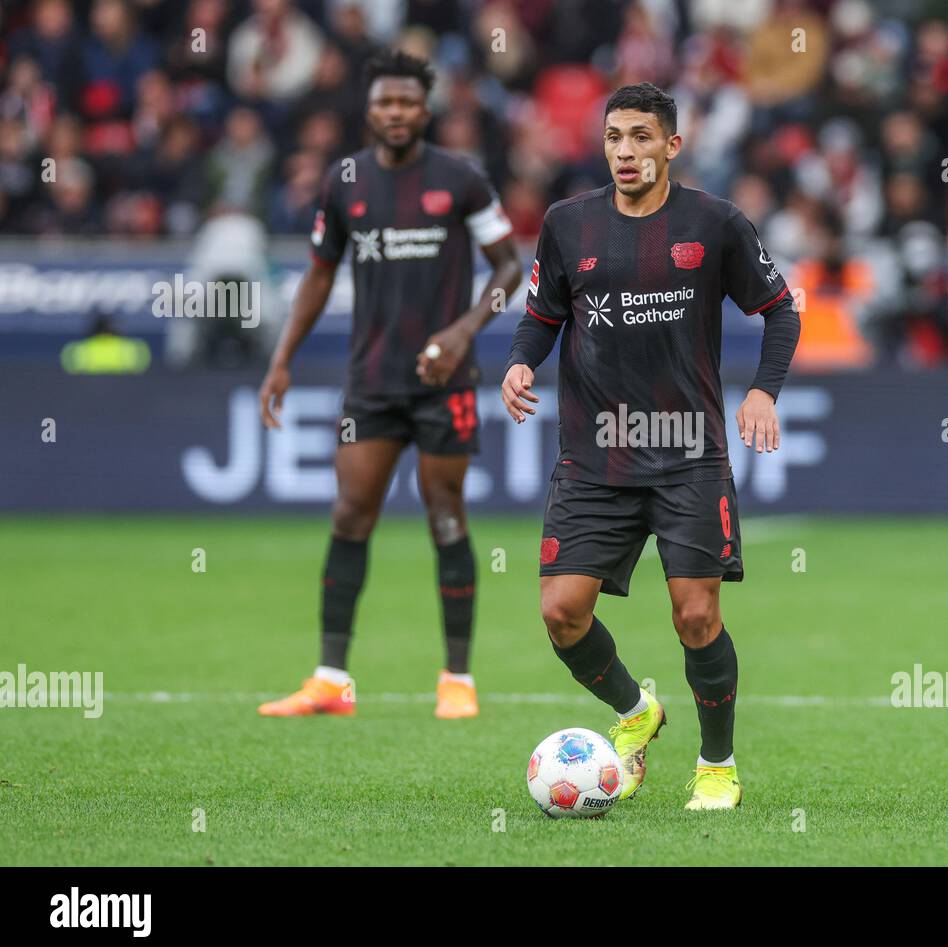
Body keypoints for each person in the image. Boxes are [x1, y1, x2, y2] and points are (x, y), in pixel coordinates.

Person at [500, 82, 800, 810]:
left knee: (696, 616)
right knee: (560, 612)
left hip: (688, 452)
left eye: (641, 137)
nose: (626, 151)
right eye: (613, 138)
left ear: (672, 144)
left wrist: (762, 391)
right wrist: (518, 362)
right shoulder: (568, 225)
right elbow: (543, 313)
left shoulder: (717, 223)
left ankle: (716, 764)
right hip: (596, 452)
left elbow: (780, 310)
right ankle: (636, 710)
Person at [257, 49, 521, 719]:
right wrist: (282, 357)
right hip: (371, 380)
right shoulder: (344, 182)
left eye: (407, 102)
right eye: (384, 103)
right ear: (368, 110)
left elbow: (508, 267)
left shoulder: (460, 178)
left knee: (444, 515)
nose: (396, 113)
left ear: (424, 109)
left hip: (445, 378)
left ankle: (456, 678)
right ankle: (329, 679)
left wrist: (462, 333)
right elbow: (319, 273)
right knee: (350, 513)